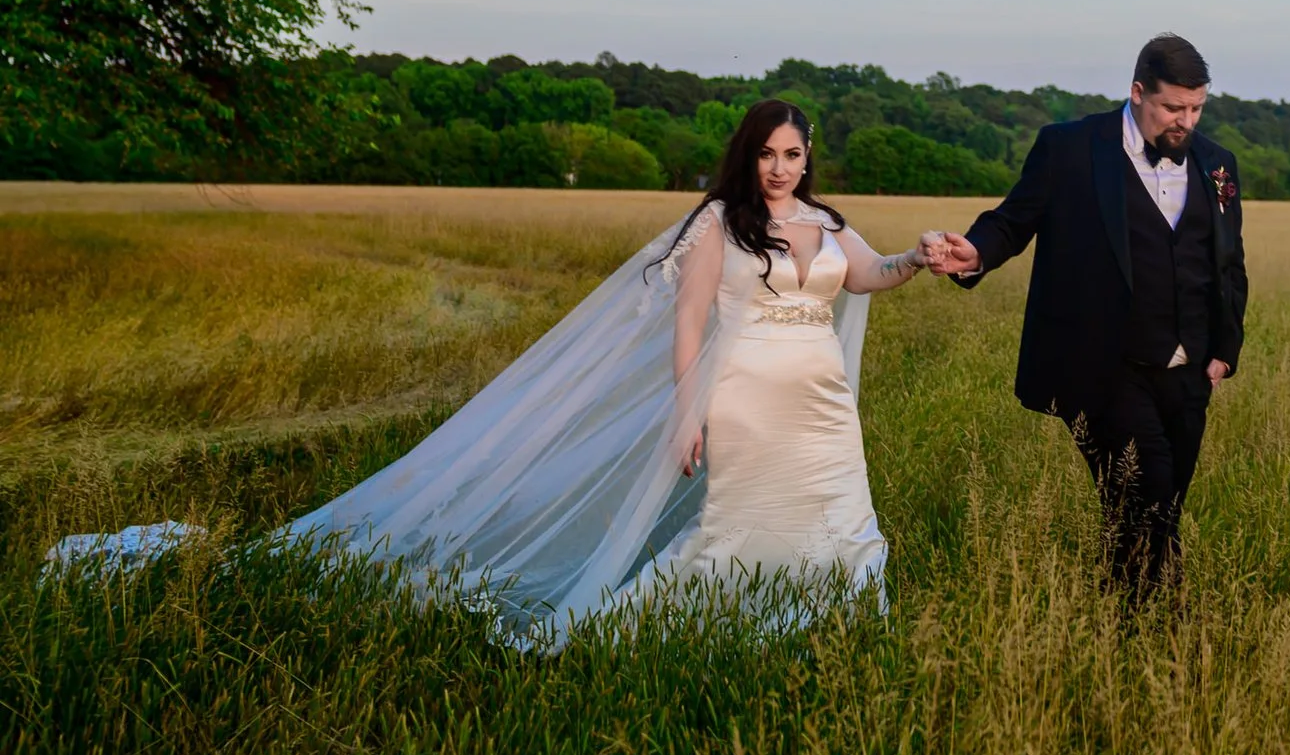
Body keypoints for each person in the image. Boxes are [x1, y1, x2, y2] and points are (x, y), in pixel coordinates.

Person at [273, 98, 946, 645]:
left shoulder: (827, 222)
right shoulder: (722, 221)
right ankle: (708, 617)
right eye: (766, 153)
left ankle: (843, 611)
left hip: (824, 403)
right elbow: (688, 322)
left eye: (791, 154)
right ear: (749, 154)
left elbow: (868, 273)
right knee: (742, 520)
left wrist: (912, 256)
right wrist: (688, 414)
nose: (778, 166)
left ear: (808, 157)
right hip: (744, 397)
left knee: (839, 512)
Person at [918, 34, 1250, 601]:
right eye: (1173, 107)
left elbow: (1226, 262)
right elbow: (1013, 220)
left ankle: (1122, 620)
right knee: (1148, 489)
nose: (1185, 121)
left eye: (1196, 108)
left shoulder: (1217, 163)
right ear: (1137, 91)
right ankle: (1168, 626)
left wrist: (1223, 351)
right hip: (1103, 367)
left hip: (1190, 369)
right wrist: (974, 253)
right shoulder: (1069, 148)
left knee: (1159, 505)